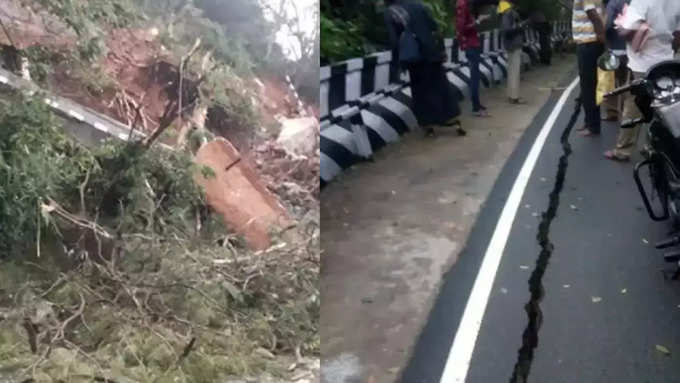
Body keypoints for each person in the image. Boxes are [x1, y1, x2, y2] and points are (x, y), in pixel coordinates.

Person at [604, 0, 680, 161]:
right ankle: (652, 146)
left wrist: (620, 25)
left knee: (634, 106)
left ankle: (623, 150)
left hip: (641, 61)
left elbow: (627, 30)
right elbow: (678, 34)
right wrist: (669, 49)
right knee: (661, 106)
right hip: (665, 59)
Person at [384, 0, 463, 137]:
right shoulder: (418, 5)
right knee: (441, 87)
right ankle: (453, 120)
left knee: (421, 93)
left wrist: (398, 63)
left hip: (415, 59)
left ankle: (429, 127)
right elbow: (434, 26)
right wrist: (440, 49)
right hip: (432, 54)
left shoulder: (391, 12)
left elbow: (394, 40)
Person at [573, 0, 606, 137]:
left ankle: (593, 126)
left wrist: (601, 37)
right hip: (589, 42)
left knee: (589, 87)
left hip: (589, 43)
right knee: (588, 86)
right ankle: (589, 122)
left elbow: (592, 13)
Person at [456, 0, 491, 117]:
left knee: (475, 76)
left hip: (473, 44)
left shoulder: (466, 4)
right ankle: (475, 108)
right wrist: (478, 21)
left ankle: (477, 104)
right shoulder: (462, 4)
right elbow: (462, 29)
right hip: (470, 45)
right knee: (474, 77)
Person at [601, 0, 628, 122]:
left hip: (614, 49)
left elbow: (606, 25)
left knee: (610, 82)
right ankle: (626, 112)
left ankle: (612, 112)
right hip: (630, 50)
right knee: (626, 84)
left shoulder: (614, 3)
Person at [499, 0, 527, 104]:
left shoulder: (504, 13)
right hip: (514, 45)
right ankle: (514, 97)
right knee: (515, 71)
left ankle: (511, 95)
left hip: (510, 45)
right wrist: (520, 26)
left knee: (511, 71)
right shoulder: (510, 13)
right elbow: (507, 30)